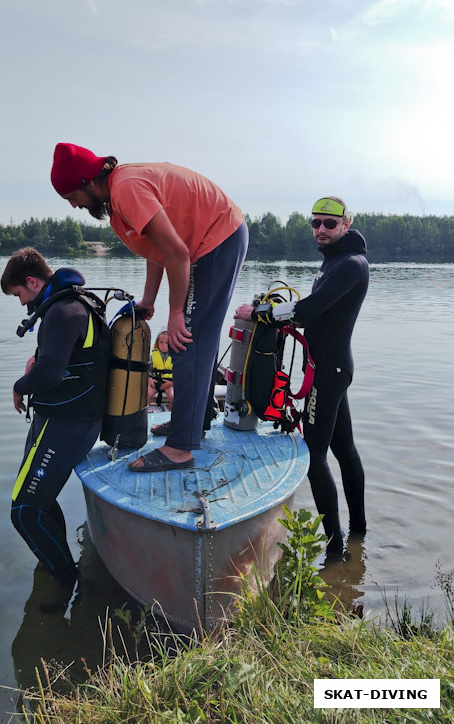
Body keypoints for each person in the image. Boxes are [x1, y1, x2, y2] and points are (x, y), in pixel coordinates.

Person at [50, 142, 248, 473]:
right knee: (192, 338)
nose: (73, 206)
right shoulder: (117, 200)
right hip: (207, 241)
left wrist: (173, 315)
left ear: (88, 181)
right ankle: (192, 422)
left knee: (185, 339)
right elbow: (157, 250)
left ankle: (180, 449)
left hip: (217, 238)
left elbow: (177, 253)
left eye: (72, 196)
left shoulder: (126, 189)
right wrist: (149, 300)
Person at [235, 196, 369, 558]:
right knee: (344, 450)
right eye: (315, 223)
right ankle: (359, 538)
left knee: (314, 457)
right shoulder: (335, 264)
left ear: (345, 225)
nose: (321, 230)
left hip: (329, 371)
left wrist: (261, 311)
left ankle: (336, 550)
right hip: (330, 368)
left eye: (329, 223)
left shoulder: (350, 265)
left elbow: (308, 312)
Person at [1, 247, 110, 592]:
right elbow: (62, 362)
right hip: (65, 418)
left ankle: (69, 583)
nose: (20, 303)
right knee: (38, 503)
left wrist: (20, 386)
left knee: (25, 513)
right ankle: (57, 563)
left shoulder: (64, 310)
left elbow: (50, 374)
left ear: (32, 281)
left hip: (68, 422)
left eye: (19, 294)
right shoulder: (70, 305)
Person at [147, 330, 174, 410]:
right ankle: (147, 413)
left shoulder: (176, 357)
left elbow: (180, 373)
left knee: (172, 396)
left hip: (169, 384)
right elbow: (148, 370)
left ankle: (170, 412)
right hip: (155, 382)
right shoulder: (153, 356)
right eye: (161, 342)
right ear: (157, 343)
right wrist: (150, 379)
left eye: (167, 343)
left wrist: (172, 383)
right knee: (146, 395)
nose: (164, 345)